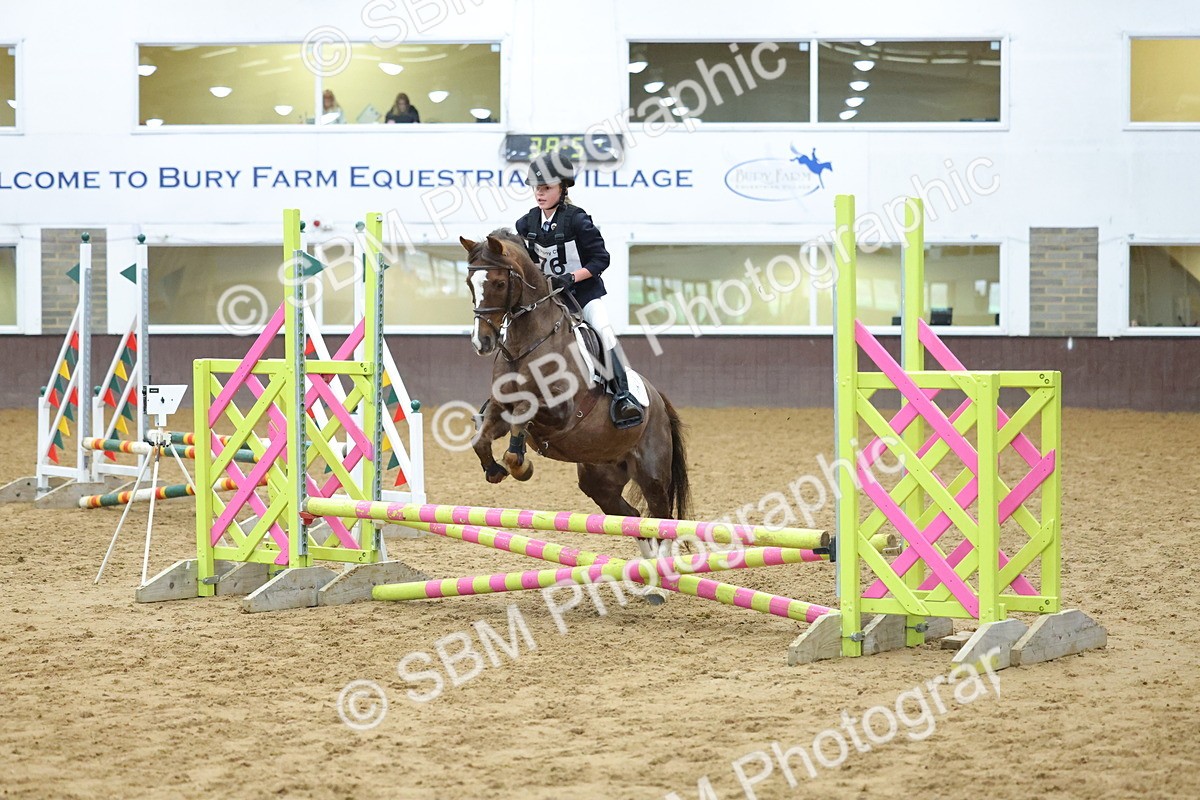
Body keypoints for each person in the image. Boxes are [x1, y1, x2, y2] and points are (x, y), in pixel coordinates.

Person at [515, 152, 644, 429]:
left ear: (562, 188)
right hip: (548, 298)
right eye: (536, 188)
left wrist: (571, 277)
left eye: (546, 188)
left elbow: (601, 259)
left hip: (582, 294)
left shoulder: (577, 220)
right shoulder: (525, 224)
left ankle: (623, 396)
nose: (539, 193)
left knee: (603, 331)